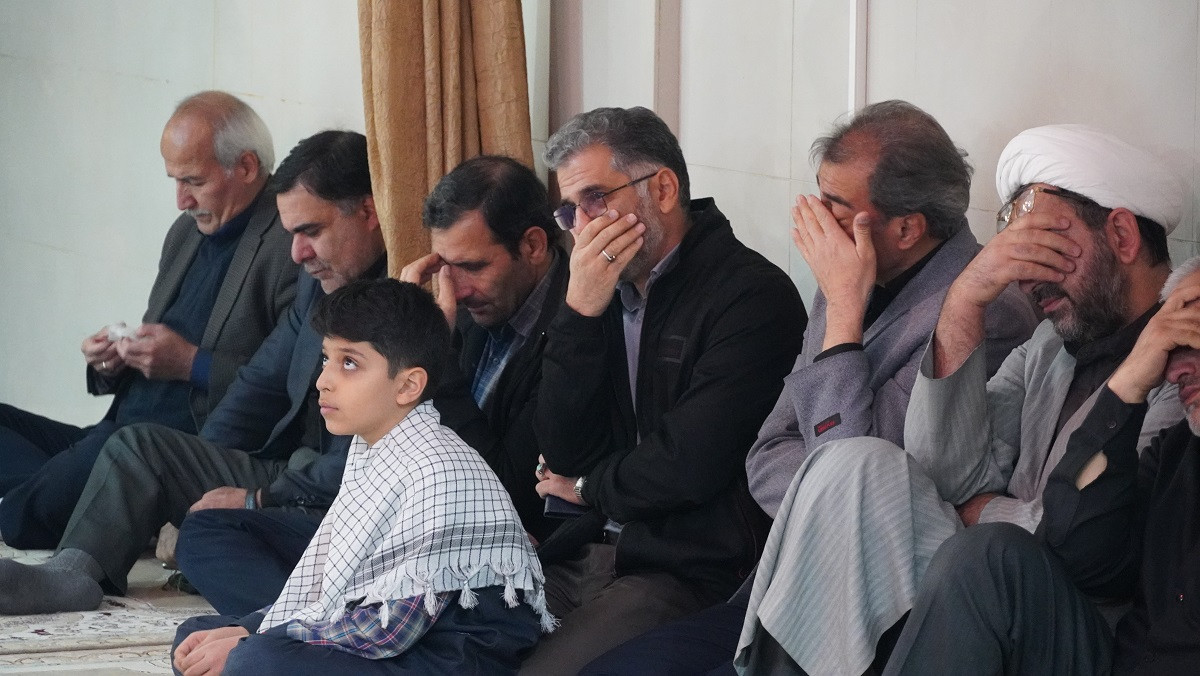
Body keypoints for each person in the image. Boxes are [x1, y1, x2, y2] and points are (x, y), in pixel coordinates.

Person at [582, 100, 1038, 675]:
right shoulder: (846, 273)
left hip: (871, 616)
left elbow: (862, 490)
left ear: (906, 228)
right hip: (780, 582)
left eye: (834, 205)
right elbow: (766, 454)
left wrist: (845, 312)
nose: (813, 218)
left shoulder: (985, 313)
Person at [733, 124, 1187, 675]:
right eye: (1019, 252)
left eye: (1046, 248)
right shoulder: (1047, 349)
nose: (1027, 280)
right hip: (980, 596)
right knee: (858, 462)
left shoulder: (1182, 364)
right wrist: (966, 299)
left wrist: (984, 512)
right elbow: (943, 474)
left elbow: (1093, 540)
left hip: (1084, 631)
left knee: (987, 552)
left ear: (1121, 236)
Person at [0, 129, 387, 615]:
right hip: (278, 464)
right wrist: (190, 479)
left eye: (311, 232)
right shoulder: (310, 280)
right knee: (138, 447)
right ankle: (72, 574)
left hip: (332, 489)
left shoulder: (402, 302)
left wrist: (256, 498)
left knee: (199, 538)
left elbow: (361, 462)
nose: (297, 254)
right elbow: (260, 385)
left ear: (369, 212)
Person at [177, 154, 569, 616]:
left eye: (473, 266)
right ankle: (323, 625)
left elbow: (503, 487)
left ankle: (311, 628)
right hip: (390, 519)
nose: (458, 289)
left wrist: (432, 352)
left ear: (533, 245)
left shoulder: (570, 330)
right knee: (209, 532)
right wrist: (412, 327)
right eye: (446, 267)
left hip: (459, 545)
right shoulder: (467, 306)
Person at [520, 106, 808, 675]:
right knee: (458, 645)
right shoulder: (597, 287)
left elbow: (689, 463)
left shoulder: (751, 296)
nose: (581, 227)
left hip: (685, 567)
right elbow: (561, 445)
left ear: (664, 189)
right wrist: (578, 313)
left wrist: (589, 487)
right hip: (587, 547)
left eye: (595, 199)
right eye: (569, 210)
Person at [172, 279, 552, 676]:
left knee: (252, 660)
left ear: (408, 385)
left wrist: (260, 641)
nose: (323, 380)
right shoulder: (374, 448)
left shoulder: (438, 470)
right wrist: (252, 628)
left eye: (349, 363)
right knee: (196, 637)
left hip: (441, 659)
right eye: (326, 359)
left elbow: (390, 630)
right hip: (395, 642)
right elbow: (328, 586)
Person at [0, 91, 298, 548]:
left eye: (194, 181)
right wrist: (113, 360)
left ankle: (66, 499)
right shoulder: (187, 232)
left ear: (245, 167)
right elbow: (155, 357)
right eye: (175, 181)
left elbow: (288, 390)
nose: (181, 200)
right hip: (113, 432)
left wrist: (192, 364)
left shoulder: (290, 245)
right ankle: (86, 499)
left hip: (168, 449)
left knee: (23, 518)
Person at [883, 257, 1200, 675]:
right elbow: (1086, 554)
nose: (1176, 369)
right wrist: (1125, 388)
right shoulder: (1174, 452)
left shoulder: (1171, 414)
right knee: (872, 472)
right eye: (1173, 344)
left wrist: (986, 510)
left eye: (1195, 335)